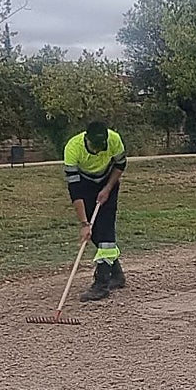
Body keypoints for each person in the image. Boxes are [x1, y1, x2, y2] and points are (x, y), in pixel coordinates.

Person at [63, 120, 128, 301]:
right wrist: (84, 223)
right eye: (95, 146)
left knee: (105, 231)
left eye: (102, 147)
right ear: (87, 139)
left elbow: (120, 165)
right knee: (95, 234)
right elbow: (75, 190)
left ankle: (101, 284)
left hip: (108, 183)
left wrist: (107, 189)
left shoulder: (115, 140)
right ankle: (116, 275)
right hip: (84, 185)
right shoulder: (72, 149)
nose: (99, 151)